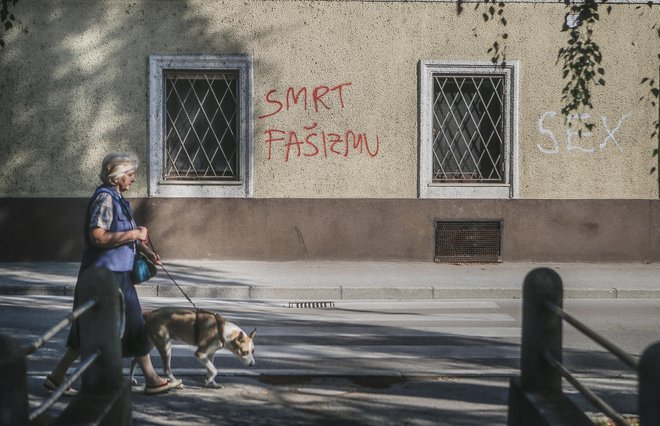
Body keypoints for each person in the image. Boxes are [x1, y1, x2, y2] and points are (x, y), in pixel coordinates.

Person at [44, 152, 182, 395]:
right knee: (133, 324)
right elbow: (98, 237)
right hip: (102, 276)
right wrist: (134, 235)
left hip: (116, 274)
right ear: (116, 176)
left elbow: (125, 234)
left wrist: (146, 251)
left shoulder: (118, 199)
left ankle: (57, 377)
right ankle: (151, 379)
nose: (133, 179)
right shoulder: (105, 200)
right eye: (129, 174)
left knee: (96, 326)